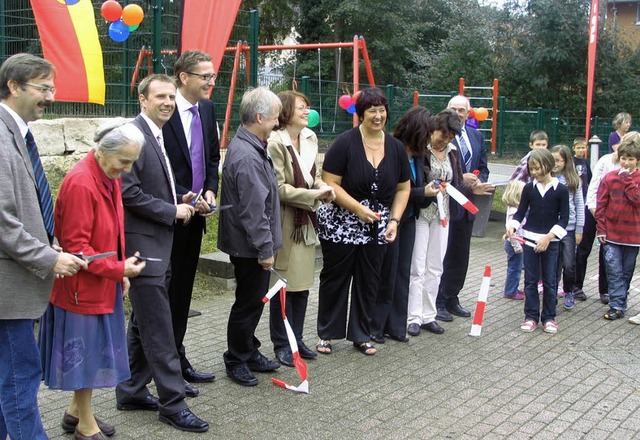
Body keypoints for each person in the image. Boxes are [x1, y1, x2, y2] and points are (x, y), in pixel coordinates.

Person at [40, 120, 147, 439]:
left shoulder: (106, 175)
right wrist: (118, 270)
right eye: (123, 162)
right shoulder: (82, 183)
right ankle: (85, 426)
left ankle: (76, 413)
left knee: (95, 351)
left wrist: (119, 273)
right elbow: (77, 248)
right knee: (87, 358)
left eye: (131, 162)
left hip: (101, 283)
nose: (126, 170)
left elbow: (114, 228)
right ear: (101, 151)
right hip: (79, 289)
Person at [0, 53, 87, 440]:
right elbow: (3, 223)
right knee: (20, 379)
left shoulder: (17, 134)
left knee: (10, 379)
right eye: (43, 87)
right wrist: (50, 257)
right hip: (9, 289)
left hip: (18, 284)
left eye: (52, 87)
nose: (50, 96)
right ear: (14, 86)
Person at [115, 74, 208, 433]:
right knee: (159, 329)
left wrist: (179, 198)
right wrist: (172, 211)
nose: (168, 102)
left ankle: (131, 389)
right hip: (144, 247)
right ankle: (172, 403)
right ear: (142, 99)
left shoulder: (154, 132)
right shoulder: (132, 135)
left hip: (158, 245)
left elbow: (150, 187)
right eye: (160, 97)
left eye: (171, 96)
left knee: (142, 324)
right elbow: (129, 193)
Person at [316, 87, 410, 355]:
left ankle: (361, 334)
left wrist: (394, 220)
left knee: (369, 280)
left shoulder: (395, 147)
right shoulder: (344, 143)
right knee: (336, 278)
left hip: (378, 226)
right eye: (372, 110)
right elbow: (330, 183)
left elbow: (403, 188)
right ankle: (327, 333)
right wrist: (357, 209)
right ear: (361, 114)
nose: (378, 116)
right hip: (342, 223)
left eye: (382, 110)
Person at [218, 87, 283, 386]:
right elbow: (254, 210)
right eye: (274, 117)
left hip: (250, 244)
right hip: (249, 247)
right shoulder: (247, 155)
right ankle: (236, 358)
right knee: (247, 303)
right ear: (259, 117)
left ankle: (248, 348)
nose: (277, 122)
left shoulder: (251, 145)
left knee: (253, 301)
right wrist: (265, 249)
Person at [163, 50, 220, 385]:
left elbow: (212, 157)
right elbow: (161, 168)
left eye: (212, 76)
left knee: (183, 291)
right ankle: (163, 367)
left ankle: (179, 355)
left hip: (197, 217)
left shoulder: (208, 109)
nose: (211, 82)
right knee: (164, 294)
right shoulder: (164, 111)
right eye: (205, 76)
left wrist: (211, 189)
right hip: (168, 216)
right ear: (184, 77)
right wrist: (188, 196)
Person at [267, 91, 335, 367]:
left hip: (305, 221)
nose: (307, 111)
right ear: (285, 111)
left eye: (307, 106)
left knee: (303, 284)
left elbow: (314, 177)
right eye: (301, 107)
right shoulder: (275, 142)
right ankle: (282, 344)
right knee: (283, 286)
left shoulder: (310, 137)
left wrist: (323, 188)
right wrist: (313, 196)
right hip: (286, 220)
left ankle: (296, 338)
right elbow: (279, 188)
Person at [370, 106, 440, 342]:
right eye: (428, 133)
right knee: (386, 273)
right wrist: (423, 192)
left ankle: (397, 326)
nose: (430, 138)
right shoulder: (391, 149)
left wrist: (427, 191)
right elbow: (392, 190)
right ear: (417, 131)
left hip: (409, 219)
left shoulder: (419, 156)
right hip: (389, 219)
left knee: (403, 273)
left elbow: (414, 188)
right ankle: (376, 327)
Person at [436, 95, 493, 322]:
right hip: (444, 205)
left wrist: (478, 181)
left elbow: (483, 167)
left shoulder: (477, 136)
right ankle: (438, 300)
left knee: (461, 255)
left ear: (468, 113)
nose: (458, 113)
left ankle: (452, 297)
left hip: (468, 205)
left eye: (462, 110)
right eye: (454, 109)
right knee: (443, 254)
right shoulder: (442, 138)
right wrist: (461, 179)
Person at [406, 109, 464, 336]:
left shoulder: (452, 153)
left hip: (443, 215)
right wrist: (426, 191)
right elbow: (414, 183)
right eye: (443, 134)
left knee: (435, 266)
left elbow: (457, 182)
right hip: (422, 214)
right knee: (417, 267)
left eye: (450, 137)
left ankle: (429, 315)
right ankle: (413, 316)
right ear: (434, 129)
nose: (445, 140)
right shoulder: (421, 151)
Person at [506, 149, 569, 334]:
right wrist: (512, 227)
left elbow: (564, 218)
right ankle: (531, 317)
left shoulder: (561, 189)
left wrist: (549, 238)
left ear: (548, 165)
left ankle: (549, 317)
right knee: (530, 281)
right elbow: (520, 212)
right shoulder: (529, 188)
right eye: (531, 169)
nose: (533, 172)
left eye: (537, 168)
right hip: (530, 240)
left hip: (551, 242)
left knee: (550, 281)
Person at [596, 132, 640, 321]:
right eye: (624, 158)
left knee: (626, 272)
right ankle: (616, 305)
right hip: (611, 234)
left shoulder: (636, 179)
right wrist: (601, 229)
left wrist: (627, 180)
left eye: (631, 159)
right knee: (613, 270)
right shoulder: (609, 178)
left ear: (637, 160)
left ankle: (621, 301)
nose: (627, 162)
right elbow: (601, 205)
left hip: (633, 235)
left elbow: (636, 200)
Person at [575, 136, 622, 304]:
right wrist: (594, 208)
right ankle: (576, 285)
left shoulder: (632, 165)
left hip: (612, 214)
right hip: (593, 209)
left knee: (607, 252)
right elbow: (594, 184)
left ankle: (605, 291)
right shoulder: (606, 160)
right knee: (583, 248)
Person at [550, 145, 584, 309]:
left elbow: (579, 205)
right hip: (551, 230)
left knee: (569, 265)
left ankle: (569, 290)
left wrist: (579, 229)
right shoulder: (547, 178)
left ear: (566, 161)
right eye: (552, 160)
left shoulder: (573, 180)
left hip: (569, 230)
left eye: (558, 160)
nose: (555, 163)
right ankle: (552, 293)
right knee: (553, 265)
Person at [502, 180, 526, 300]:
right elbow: (511, 231)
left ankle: (513, 288)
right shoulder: (514, 211)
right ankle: (510, 291)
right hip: (515, 244)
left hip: (516, 243)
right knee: (515, 268)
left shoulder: (515, 209)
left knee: (515, 267)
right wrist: (517, 247)